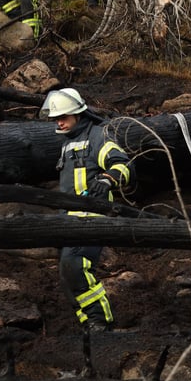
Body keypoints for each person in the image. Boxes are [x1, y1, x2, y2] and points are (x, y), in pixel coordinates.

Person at [40, 87, 132, 332]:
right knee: (67, 273)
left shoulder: (97, 136)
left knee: (76, 266)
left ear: (79, 115)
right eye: (56, 118)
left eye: (64, 117)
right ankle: (88, 325)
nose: (59, 122)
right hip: (69, 220)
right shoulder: (68, 142)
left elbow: (123, 164)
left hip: (91, 218)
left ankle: (100, 322)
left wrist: (106, 180)